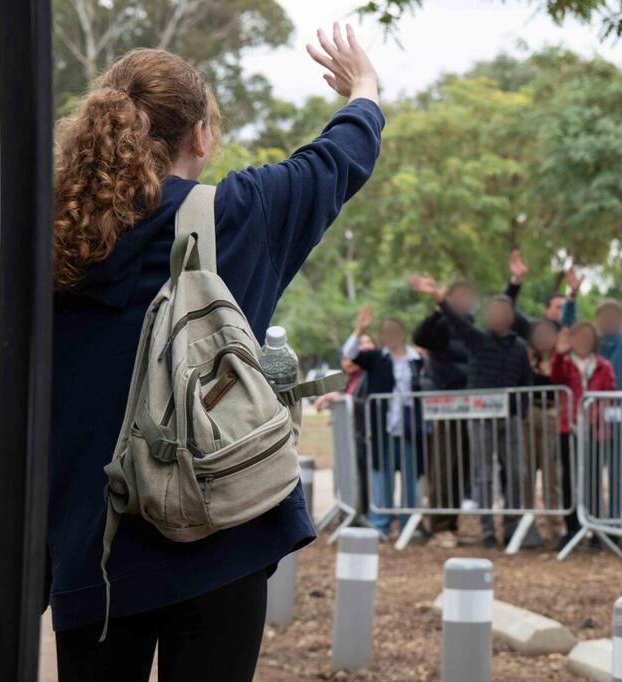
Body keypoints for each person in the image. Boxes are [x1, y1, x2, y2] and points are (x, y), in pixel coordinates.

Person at [49, 31, 382, 680]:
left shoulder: (55, 243)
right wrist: (363, 90)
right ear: (199, 136)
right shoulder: (237, 215)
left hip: (94, 549)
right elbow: (335, 161)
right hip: (220, 534)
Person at [411, 275, 534, 547]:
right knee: (468, 471)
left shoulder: (511, 343)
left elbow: (526, 381)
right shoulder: (463, 333)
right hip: (454, 410)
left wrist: (513, 284)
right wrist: (438, 301)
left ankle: (510, 528)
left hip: (495, 415)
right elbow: (425, 334)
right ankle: (468, 528)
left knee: (498, 471)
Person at [342, 306, 424, 539]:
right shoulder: (377, 357)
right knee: (382, 473)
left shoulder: (415, 359)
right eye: (386, 332)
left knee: (410, 474)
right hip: (382, 426)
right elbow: (349, 353)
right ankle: (381, 522)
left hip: (409, 427)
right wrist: (359, 330)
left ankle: (409, 522)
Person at [411, 280, 478, 541]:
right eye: (457, 296)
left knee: (462, 467)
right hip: (445, 406)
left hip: (470, 405)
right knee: (443, 465)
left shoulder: (471, 326)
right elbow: (421, 337)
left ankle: (452, 524)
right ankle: (438, 526)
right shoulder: (439, 325)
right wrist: (439, 309)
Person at [549, 322, 616, 547]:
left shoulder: (603, 366)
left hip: (594, 432)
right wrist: (558, 355)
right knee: (569, 480)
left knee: (594, 480)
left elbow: (610, 395)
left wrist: (595, 417)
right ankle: (572, 528)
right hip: (569, 430)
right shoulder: (565, 363)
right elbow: (555, 378)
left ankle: (596, 528)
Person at [562, 263, 622, 390]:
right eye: (605, 316)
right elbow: (569, 325)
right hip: (595, 405)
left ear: (621, 320)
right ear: (597, 320)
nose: (609, 320)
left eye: (614, 316)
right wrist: (572, 295)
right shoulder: (590, 340)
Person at [315, 333, 377, 517]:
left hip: (365, 435)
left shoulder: (368, 375)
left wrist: (341, 400)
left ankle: (361, 512)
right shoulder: (350, 379)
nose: (348, 361)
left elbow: (366, 403)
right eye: (344, 358)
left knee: (363, 476)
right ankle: (349, 511)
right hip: (353, 437)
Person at [520, 321, 564, 543]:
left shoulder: (562, 360)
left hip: (554, 415)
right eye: (540, 333)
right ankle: (527, 527)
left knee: (552, 474)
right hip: (529, 415)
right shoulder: (525, 359)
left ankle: (555, 527)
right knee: (526, 473)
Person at [504, 248, 565, 337]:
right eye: (559, 307)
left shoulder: (573, 337)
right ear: (545, 311)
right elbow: (507, 311)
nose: (563, 311)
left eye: (566, 308)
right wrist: (516, 280)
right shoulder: (532, 329)